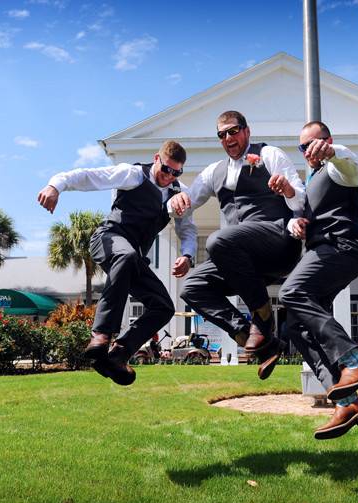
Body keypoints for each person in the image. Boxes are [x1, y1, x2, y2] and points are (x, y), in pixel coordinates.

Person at [37, 140, 197, 385]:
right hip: (108, 239)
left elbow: (187, 229)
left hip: (132, 258)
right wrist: (55, 185)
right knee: (127, 255)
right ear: (157, 159)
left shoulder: (179, 192)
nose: (170, 177)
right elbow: (91, 177)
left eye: (177, 172)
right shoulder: (133, 175)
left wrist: (187, 255)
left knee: (163, 306)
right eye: (166, 169)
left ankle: (118, 354)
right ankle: (101, 334)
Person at [168, 111, 304, 379]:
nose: (228, 138)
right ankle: (263, 345)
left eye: (233, 131)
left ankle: (263, 318)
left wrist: (287, 189)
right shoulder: (213, 172)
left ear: (246, 131)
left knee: (218, 240)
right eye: (222, 134)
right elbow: (187, 201)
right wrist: (174, 203)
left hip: (276, 243)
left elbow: (301, 201)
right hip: (240, 259)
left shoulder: (269, 155)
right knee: (193, 288)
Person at [279, 121, 358, 440]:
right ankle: (347, 403)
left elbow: (353, 164)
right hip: (322, 252)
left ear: (328, 141)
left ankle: (354, 360)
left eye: (315, 143)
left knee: (291, 292)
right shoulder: (313, 180)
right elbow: (308, 210)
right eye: (303, 147)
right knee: (295, 326)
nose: (309, 150)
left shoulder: (339, 169)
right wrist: (298, 223)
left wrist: (334, 151)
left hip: (340, 250)